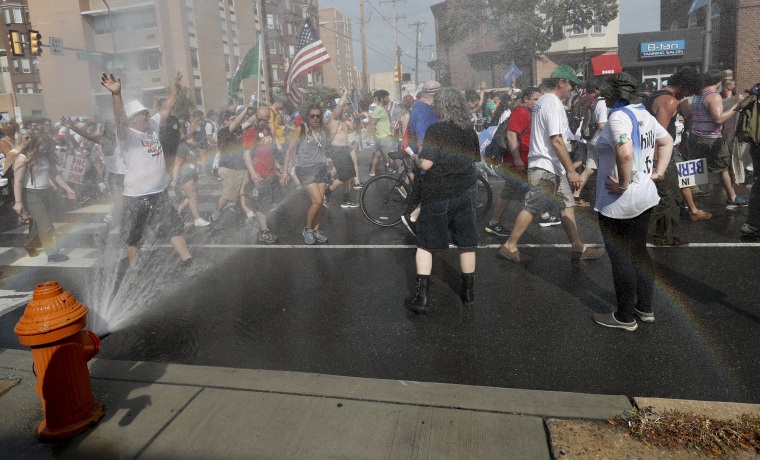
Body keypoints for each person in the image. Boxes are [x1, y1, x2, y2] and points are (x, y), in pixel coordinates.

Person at [497, 65, 605, 263]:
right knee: (532, 206)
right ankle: (509, 245)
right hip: (545, 166)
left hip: (552, 165)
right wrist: (572, 170)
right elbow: (556, 139)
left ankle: (578, 247)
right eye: (571, 84)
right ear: (561, 83)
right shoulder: (553, 103)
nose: (573, 89)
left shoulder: (543, 101)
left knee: (567, 205)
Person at [592, 73, 673, 331]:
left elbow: (625, 154)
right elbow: (666, 140)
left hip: (620, 202)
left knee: (621, 257)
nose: (601, 95)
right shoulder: (645, 114)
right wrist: (658, 173)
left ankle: (624, 317)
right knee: (639, 251)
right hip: (645, 196)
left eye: (606, 91)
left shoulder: (618, 117)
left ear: (618, 93)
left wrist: (623, 185)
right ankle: (645, 308)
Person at [100, 71, 193, 270]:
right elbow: (119, 119)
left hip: (159, 193)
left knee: (172, 226)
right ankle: (135, 267)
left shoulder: (150, 126)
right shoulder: (126, 136)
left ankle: (188, 260)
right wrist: (116, 94)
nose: (147, 115)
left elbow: (167, 109)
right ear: (133, 119)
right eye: (143, 114)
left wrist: (175, 90)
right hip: (136, 196)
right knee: (134, 235)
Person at [404, 87, 481, 315]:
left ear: (442, 106)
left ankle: (422, 298)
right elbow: (474, 159)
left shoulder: (435, 130)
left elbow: (426, 164)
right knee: (466, 242)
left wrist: (415, 158)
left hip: (438, 192)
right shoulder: (469, 130)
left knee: (426, 244)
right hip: (466, 190)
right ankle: (468, 294)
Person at [645, 68, 707, 247]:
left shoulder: (659, 95)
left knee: (669, 197)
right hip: (662, 157)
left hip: (661, 156)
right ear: (684, 86)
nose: (688, 95)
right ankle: (659, 237)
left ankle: (664, 236)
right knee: (669, 198)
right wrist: (658, 166)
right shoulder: (668, 100)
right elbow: (659, 135)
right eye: (689, 91)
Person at [12, 131, 77, 262]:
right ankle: (53, 254)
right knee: (46, 224)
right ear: (35, 144)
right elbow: (17, 181)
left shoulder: (46, 156)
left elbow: (55, 174)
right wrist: (18, 202)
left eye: (47, 146)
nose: (45, 149)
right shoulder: (24, 158)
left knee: (39, 223)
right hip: (31, 194)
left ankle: (29, 244)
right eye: (42, 146)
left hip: (46, 192)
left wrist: (68, 189)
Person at [484, 86, 540, 237]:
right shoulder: (521, 111)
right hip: (517, 161)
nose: (538, 102)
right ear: (526, 99)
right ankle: (494, 223)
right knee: (510, 192)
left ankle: (545, 215)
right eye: (535, 99)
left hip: (523, 160)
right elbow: (511, 135)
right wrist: (516, 158)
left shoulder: (528, 111)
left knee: (531, 190)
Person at [687, 69, 747, 208]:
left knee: (694, 168)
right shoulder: (714, 96)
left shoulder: (697, 95)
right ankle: (732, 197)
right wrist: (736, 105)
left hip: (696, 137)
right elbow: (719, 119)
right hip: (712, 139)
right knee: (722, 169)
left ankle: (687, 200)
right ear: (719, 82)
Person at [282, 104, 330, 245]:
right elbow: (289, 151)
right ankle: (307, 229)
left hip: (320, 168)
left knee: (322, 203)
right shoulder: (301, 129)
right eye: (312, 116)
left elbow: (326, 148)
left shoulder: (323, 130)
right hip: (305, 169)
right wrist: (285, 172)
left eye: (318, 116)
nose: (315, 118)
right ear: (307, 117)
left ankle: (316, 231)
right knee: (317, 201)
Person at [400, 80, 441, 235]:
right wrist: (426, 164)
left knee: (425, 197)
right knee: (435, 195)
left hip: (426, 163)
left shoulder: (425, 109)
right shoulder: (423, 112)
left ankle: (416, 221)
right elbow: (423, 144)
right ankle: (413, 219)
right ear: (435, 94)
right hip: (427, 165)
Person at [210, 105, 258, 224]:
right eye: (231, 119)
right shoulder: (223, 132)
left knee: (244, 194)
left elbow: (249, 121)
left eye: (233, 118)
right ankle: (214, 217)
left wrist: (259, 111)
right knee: (228, 196)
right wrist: (246, 108)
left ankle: (251, 217)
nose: (235, 120)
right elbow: (238, 121)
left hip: (241, 167)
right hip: (228, 168)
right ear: (225, 121)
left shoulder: (238, 129)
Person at [242, 106, 282, 243]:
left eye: (264, 120)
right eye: (259, 120)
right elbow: (246, 154)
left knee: (268, 203)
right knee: (262, 204)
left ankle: (255, 221)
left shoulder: (268, 132)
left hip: (270, 173)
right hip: (259, 174)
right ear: (255, 118)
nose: (261, 123)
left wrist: (277, 166)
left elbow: (271, 152)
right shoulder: (251, 132)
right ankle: (264, 232)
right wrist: (253, 173)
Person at [324, 88, 361, 208]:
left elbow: (354, 127)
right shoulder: (333, 119)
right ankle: (327, 191)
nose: (344, 108)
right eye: (342, 106)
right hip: (337, 150)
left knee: (349, 176)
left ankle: (346, 200)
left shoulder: (343, 119)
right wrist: (345, 93)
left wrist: (356, 118)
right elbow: (339, 104)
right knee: (344, 176)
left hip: (345, 149)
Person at [172, 115, 211, 227]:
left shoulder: (192, 147)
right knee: (193, 196)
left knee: (193, 196)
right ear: (191, 139)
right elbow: (176, 164)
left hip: (193, 174)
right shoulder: (183, 147)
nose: (198, 144)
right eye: (197, 141)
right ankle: (197, 219)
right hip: (185, 175)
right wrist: (175, 180)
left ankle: (178, 211)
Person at [367, 90, 395, 176]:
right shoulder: (379, 109)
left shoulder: (382, 109)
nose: (388, 99)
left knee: (377, 155)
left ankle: (372, 173)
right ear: (381, 99)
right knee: (392, 156)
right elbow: (372, 123)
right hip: (384, 138)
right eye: (386, 98)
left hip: (380, 137)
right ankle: (398, 176)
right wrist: (368, 138)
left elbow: (382, 121)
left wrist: (391, 126)